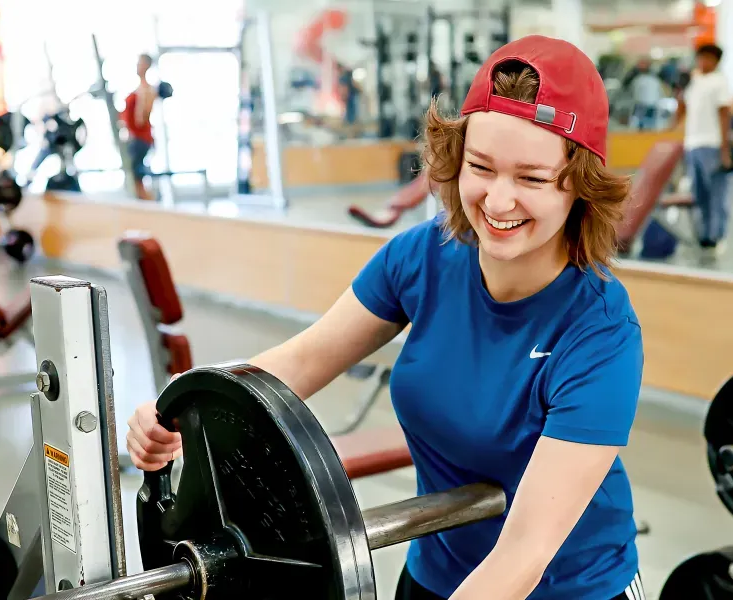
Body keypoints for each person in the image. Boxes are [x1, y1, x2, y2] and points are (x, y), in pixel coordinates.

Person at [128, 35, 647, 600]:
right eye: (482, 167)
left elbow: (525, 553)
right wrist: (182, 410)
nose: (498, 202)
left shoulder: (600, 331)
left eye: (532, 178)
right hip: (436, 569)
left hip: (569, 587)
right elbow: (297, 364)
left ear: (580, 188)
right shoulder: (424, 257)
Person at [672, 43, 733, 250]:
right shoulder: (693, 81)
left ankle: (717, 235)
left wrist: (725, 149)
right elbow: (680, 110)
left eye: (708, 58)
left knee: (716, 193)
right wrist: (680, 88)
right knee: (699, 194)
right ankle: (704, 234)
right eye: (701, 57)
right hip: (693, 144)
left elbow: (725, 115)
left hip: (712, 144)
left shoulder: (719, 82)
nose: (704, 62)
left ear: (716, 61)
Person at [121, 53, 159, 201]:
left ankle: (151, 208)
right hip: (135, 138)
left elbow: (140, 119)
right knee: (135, 179)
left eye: (140, 63)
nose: (137, 66)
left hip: (140, 139)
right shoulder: (139, 89)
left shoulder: (147, 90)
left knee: (137, 179)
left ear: (147, 66)